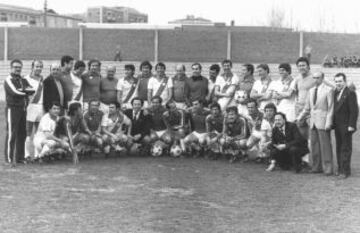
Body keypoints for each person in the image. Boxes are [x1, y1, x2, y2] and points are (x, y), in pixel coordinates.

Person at [297, 72, 334, 175]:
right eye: (314, 78)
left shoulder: (328, 90)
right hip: (313, 122)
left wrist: (329, 122)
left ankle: (328, 168)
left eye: (318, 78)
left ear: (322, 78)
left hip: (323, 122)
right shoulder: (311, 90)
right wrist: (299, 118)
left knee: (325, 146)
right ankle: (316, 167)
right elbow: (307, 108)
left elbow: (331, 108)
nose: (316, 80)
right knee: (314, 146)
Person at [4, 59, 33, 165]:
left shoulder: (22, 79)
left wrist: (24, 91)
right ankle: (9, 159)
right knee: (12, 134)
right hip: (12, 109)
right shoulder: (8, 79)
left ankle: (20, 158)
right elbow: (15, 92)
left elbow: (31, 89)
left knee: (22, 134)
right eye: (15, 67)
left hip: (23, 109)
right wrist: (25, 92)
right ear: (11, 68)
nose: (18, 69)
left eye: (19, 67)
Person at [333, 73, 359, 179]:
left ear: (345, 81)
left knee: (346, 148)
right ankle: (340, 169)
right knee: (339, 147)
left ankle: (345, 171)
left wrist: (351, 125)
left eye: (340, 81)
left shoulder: (350, 93)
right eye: (336, 81)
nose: (338, 83)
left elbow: (354, 111)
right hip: (337, 126)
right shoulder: (335, 92)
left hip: (347, 126)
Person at [24, 60, 44, 162]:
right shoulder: (26, 79)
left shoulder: (42, 79)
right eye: (37, 66)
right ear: (32, 67)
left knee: (38, 133)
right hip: (31, 108)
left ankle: (37, 155)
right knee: (28, 133)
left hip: (41, 108)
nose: (39, 68)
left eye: (40, 67)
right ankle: (27, 155)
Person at [293, 57, 315, 139]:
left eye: (303, 65)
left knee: (313, 137)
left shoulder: (315, 78)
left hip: (311, 111)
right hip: (300, 110)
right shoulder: (297, 79)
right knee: (301, 136)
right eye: (299, 66)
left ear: (308, 66)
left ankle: (313, 152)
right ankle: (305, 152)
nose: (301, 67)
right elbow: (296, 93)